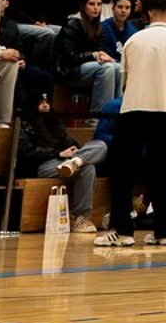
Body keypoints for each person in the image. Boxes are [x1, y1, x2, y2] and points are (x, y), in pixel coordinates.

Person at [96, 0, 166, 249]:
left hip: (134, 109)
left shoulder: (133, 41)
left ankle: (123, 231)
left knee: (123, 170)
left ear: (148, 12)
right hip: (165, 112)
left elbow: (126, 80)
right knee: (161, 171)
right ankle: (165, 232)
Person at [17, 99, 108, 233]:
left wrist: (75, 150)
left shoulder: (54, 120)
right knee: (88, 168)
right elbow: (27, 152)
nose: (45, 105)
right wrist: (58, 154)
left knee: (101, 146)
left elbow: (69, 141)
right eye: (41, 102)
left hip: (65, 161)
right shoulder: (23, 123)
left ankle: (76, 162)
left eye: (47, 102)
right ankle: (80, 216)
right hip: (42, 164)